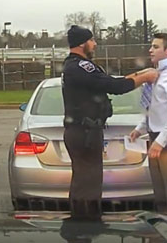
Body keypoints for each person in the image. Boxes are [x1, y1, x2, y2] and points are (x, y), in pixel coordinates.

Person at [62, 25, 158, 220]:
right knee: (88, 182)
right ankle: (84, 227)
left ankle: (82, 223)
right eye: (92, 40)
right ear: (82, 44)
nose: (95, 44)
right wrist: (146, 77)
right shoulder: (80, 67)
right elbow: (115, 86)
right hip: (85, 132)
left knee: (86, 180)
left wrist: (140, 74)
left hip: (84, 130)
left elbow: (108, 80)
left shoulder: (75, 66)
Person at [130, 33, 167, 218]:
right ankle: (162, 230)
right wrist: (140, 128)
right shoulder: (155, 75)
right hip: (154, 137)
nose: (150, 50)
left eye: (155, 47)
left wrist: (160, 142)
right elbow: (153, 107)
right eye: (151, 46)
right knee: (160, 193)